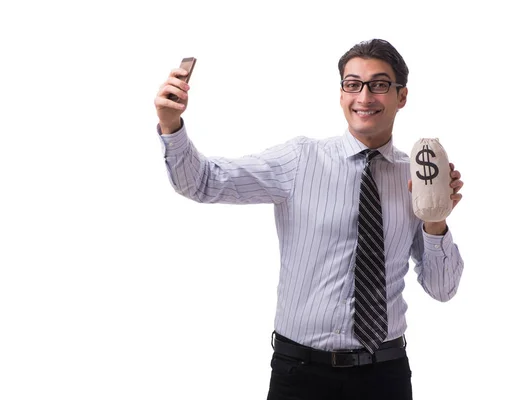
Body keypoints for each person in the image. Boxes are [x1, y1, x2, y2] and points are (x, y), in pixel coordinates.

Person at [153, 39, 464, 400]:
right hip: (301, 375)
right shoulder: (300, 160)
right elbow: (203, 182)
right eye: (353, 84)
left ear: (401, 96)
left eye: (379, 84)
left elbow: (442, 289)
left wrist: (435, 220)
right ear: (342, 93)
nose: (364, 96)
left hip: (385, 374)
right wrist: (171, 124)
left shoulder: (416, 176)